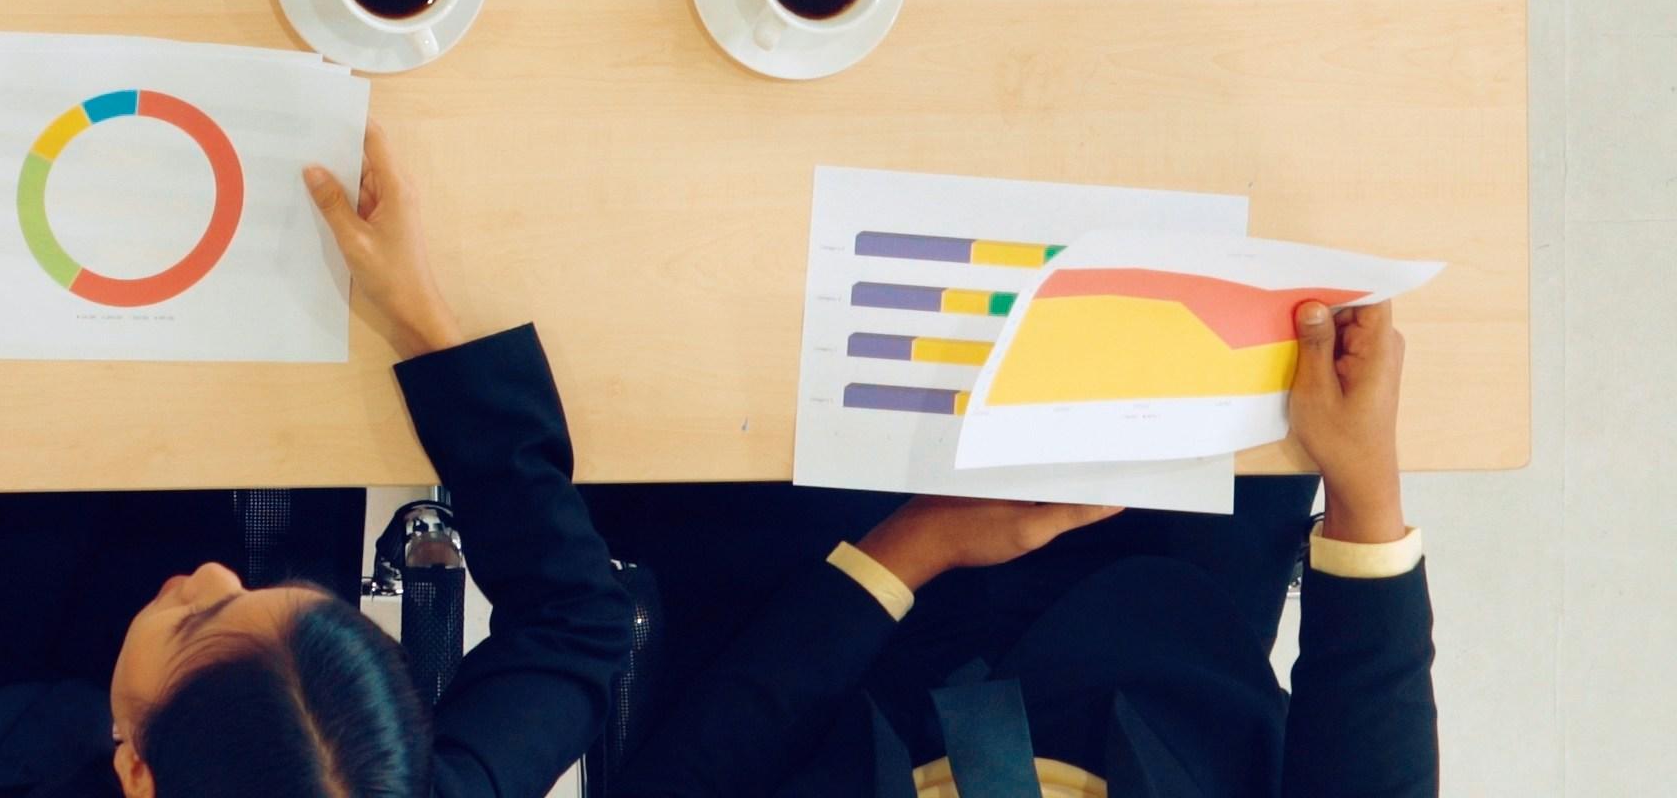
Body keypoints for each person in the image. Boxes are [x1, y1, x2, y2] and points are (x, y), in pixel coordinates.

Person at [0, 31, 638, 798]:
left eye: (208, 614)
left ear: (134, 771)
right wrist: (425, 318)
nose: (220, 573)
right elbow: (577, 623)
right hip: (144, 559)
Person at [595, 300, 1433, 795]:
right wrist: (1364, 481)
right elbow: (1370, 750)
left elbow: (690, 774)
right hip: (1159, 608)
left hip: (829, 626)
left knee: (691, 336)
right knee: (1239, 287)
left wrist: (917, 542)